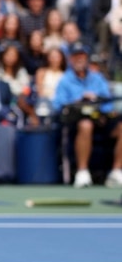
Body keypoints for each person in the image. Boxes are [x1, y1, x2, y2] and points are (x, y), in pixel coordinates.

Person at [52, 42, 122, 189]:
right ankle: (82, 172)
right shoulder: (65, 80)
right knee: (86, 125)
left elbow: (108, 103)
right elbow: (58, 105)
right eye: (76, 56)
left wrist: (95, 99)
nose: (79, 59)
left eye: (82, 55)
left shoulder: (97, 78)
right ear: (70, 59)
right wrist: (78, 100)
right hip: (76, 122)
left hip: (100, 118)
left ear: (87, 58)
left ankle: (116, 171)